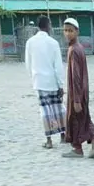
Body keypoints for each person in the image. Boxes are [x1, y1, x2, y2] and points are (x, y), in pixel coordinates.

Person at [24, 15, 65, 148]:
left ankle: (49, 140)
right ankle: (63, 136)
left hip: (39, 81)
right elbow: (58, 66)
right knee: (58, 108)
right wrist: (61, 84)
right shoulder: (53, 43)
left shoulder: (30, 42)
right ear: (48, 26)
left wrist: (33, 78)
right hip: (52, 81)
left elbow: (28, 64)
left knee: (45, 110)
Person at [62, 17, 94, 159]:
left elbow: (76, 76)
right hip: (83, 90)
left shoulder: (74, 50)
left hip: (77, 92)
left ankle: (77, 149)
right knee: (85, 118)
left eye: (70, 31)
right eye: (66, 30)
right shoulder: (79, 48)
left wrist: (76, 99)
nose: (68, 33)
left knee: (75, 119)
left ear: (77, 32)